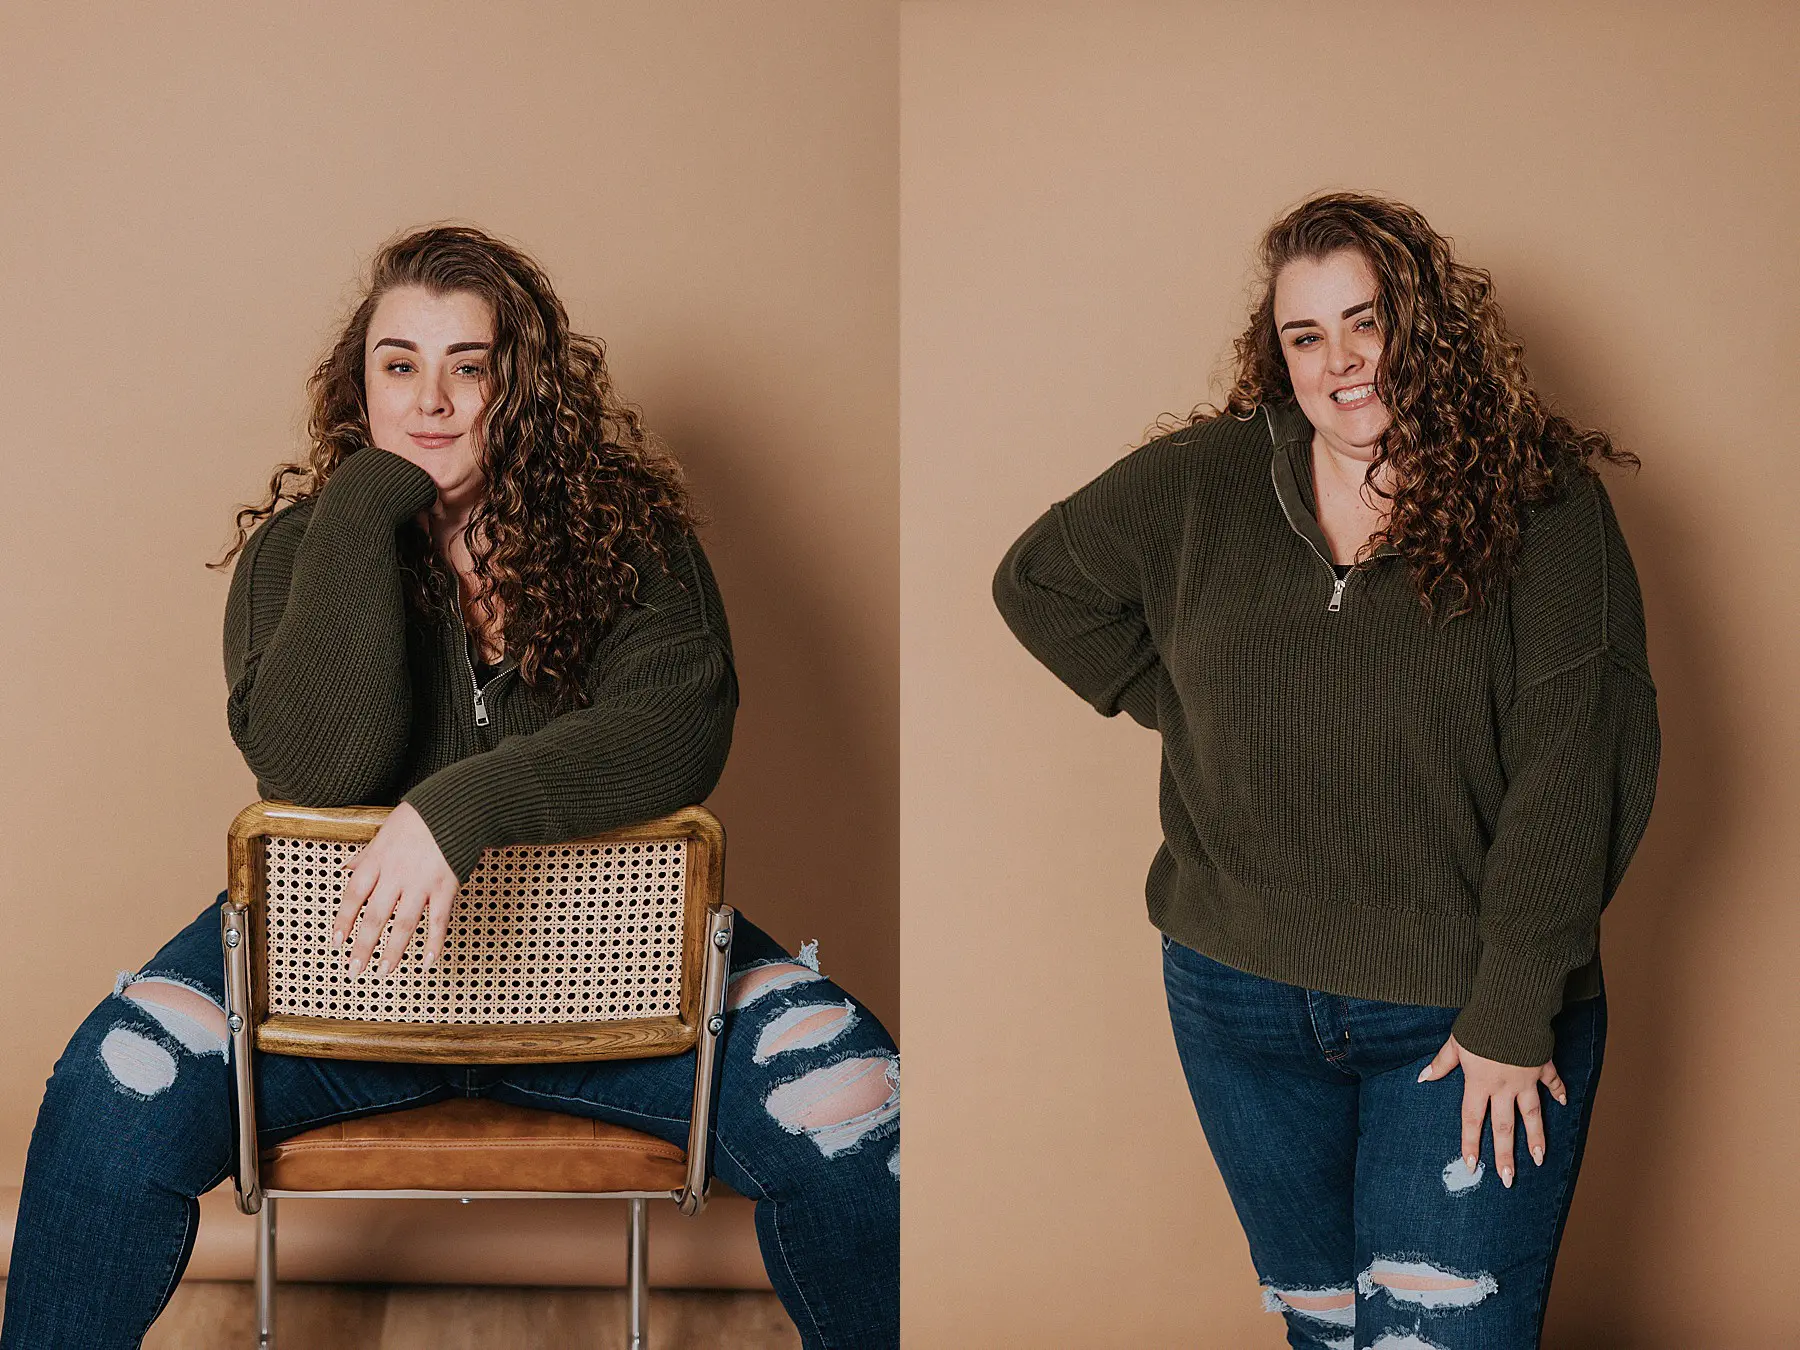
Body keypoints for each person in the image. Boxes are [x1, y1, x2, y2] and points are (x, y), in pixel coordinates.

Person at [3, 224, 899, 1350]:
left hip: (610, 989)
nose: (430, 398)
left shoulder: (635, 544)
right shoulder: (303, 550)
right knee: (107, 1096)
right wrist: (367, 509)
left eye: (468, 366)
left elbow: (678, 725)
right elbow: (314, 770)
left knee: (859, 1104)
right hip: (332, 986)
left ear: (519, 389)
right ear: (358, 384)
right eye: (398, 364)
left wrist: (461, 807)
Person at [992, 191, 1658, 1349]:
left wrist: (1511, 1011)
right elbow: (1037, 583)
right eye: (1307, 337)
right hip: (1233, 995)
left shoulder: (1547, 510)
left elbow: (1578, 764)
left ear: (1428, 331)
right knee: (1328, 1334)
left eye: (1367, 323)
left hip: (1459, 1017)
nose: (1342, 364)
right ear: (1279, 354)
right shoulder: (1205, 483)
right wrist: (1189, 709)